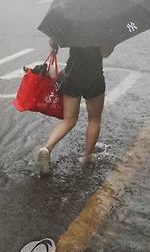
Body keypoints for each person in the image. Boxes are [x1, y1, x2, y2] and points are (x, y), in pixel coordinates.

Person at [35, 38, 114, 175]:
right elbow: (105, 53)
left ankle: (47, 148)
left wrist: (53, 46)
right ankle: (86, 157)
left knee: (69, 120)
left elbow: (53, 42)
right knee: (94, 120)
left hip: (72, 75)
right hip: (93, 78)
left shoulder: (74, 22)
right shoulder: (103, 28)